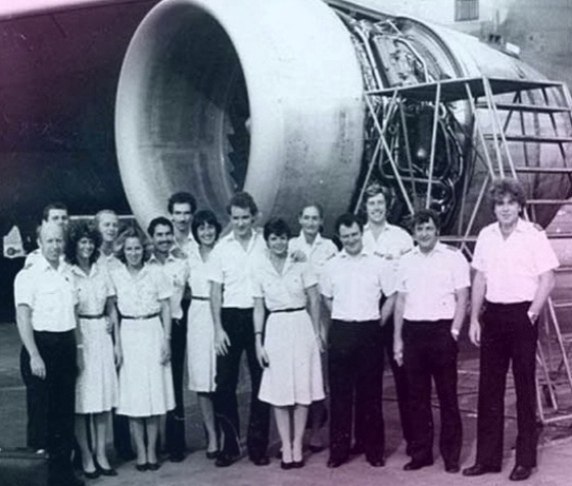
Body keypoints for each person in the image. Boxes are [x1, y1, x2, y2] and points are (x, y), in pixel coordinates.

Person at [463, 178, 558, 482]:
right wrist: (474, 319)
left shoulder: (533, 235)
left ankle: (524, 461)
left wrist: (532, 313)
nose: (505, 209)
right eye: (500, 204)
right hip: (493, 316)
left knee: (524, 388)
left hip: (523, 315)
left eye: (510, 203)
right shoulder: (486, 235)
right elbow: (479, 279)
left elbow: (548, 279)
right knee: (489, 388)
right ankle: (487, 459)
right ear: (494, 208)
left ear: (519, 206)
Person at [393, 210, 469, 473]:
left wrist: (455, 332)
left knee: (448, 397)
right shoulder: (406, 261)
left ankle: (451, 455)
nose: (424, 233)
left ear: (437, 230)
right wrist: (397, 340)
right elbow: (400, 302)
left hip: (442, 332)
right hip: (414, 332)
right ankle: (421, 453)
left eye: (428, 228)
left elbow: (463, 297)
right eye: (419, 229)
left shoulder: (453, 257)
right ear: (413, 233)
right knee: (417, 398)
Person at [320, 213, 396, 469]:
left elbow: (391, 295)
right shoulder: (331, 266)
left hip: (369, 330)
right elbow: (326, 296)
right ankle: (338, 452)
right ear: (339, 237)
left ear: (360, 233)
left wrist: (379, 321)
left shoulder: (378, 263)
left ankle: (374, 451)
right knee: (340, 395)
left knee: (370, 394)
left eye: (354, 235)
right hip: (341, 330)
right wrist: (340, 315)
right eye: (345, 236)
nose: (351, 240)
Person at [14, 222, 84, 486]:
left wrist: (78, 351)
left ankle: (63, 475)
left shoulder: (68, 273)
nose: (55, 246)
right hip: (40, 347)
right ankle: (38, 478)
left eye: (59, 241)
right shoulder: (28, 275)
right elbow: (23, 317)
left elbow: (74, 316)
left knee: (64, 415)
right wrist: (34, 354)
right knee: (41, 417)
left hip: (65, 346)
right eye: (50, 241)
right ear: (39, 243)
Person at [253, 218, 325, 469]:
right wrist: (258, 341)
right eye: (274, 238)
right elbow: (258, 307)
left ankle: (296, 444)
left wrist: (316, 333)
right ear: (267, 241)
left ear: (288, 239)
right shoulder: (259, 269)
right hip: (275, 329)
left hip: (301, 325)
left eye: (282, 238)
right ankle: (285, 444)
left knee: (302, 388)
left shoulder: (301, 263)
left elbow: (314, 299)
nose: (279, 243)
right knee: (280, 391)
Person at [208, 191, 271, 467]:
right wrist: (218, 328)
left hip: (259, 316)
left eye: (245, 218)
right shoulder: (221, 248)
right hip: (230, 318)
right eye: (236, 218)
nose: (241, 223)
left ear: (253, 217)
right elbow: (214, 291)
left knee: (262, 381)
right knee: (224, 383)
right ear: (230, 218)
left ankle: (258, 447)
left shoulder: (264, 244)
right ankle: (230, 445)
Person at [109, 226, 175, 472]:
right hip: (129, 333)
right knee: (134, 397)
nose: (134, 253)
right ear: (123, 251)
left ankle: (152, 451)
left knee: (153, 394)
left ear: (143, 249)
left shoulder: (156, 272)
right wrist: (117, 344)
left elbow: (166, 307)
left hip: (152, 330)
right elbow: (112, 312)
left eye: (137, 248)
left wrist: (166, 339)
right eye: (129, 249)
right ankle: (140, 452)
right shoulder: (115, 275)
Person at [359, 182, 413, 456]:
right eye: (372, 204)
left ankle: (414, 439)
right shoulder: (359, 236)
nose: (376, 208)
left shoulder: (401, 237)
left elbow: (409, 274)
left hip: (396, 308)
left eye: (380, 202)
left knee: (403, 375)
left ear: (387, 205)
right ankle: (368, 442)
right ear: (365, 207)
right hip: (367, 308)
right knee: (368, 378)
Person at [65, 222, 119, 479]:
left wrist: (116, 339)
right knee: (82, 400)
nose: (86, 247)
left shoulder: (102, 269)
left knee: (102, 399)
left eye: (90, 242)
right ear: (74, 245)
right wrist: (77, 348)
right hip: (81, 336)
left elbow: (111, 307)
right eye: (82, 242)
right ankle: (86, 455)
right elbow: (72, 314)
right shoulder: (68, 273)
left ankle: (101, 453)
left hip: (102, 336)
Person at [288, 203, 337, 452]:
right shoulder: (289, 246)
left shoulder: (329, 248)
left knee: (318, 374)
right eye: (306, 218)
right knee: (294, 375)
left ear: (321, 221)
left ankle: (316, 431)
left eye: (315, 218)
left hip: (321, 317)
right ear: (299, 219)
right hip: (294, 315)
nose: (310, 223)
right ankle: (293, 435)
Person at [147, 216, 190, 462]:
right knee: (152, 382)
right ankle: (152, 444)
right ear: (152, 237)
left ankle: (176, 443)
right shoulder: (145, 264)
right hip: (151, 327)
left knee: (174, 383)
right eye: (159, 235)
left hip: (176, 325)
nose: (164, 239)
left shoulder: (182, 263)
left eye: (167, 234)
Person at [94, 209, 132, 461]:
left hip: (117, 328)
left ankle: (123, 445)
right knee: (94, 390)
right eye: (106, 224)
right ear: (97, 227)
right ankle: (91, 450)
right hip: (94, 328)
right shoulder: (88, 257)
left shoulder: (119, 262)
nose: (111, 229)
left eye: (114, 225)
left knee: (120, 385)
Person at [187, 210, 222, 459]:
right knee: (202, 380)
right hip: (197, 315)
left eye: (210, 227)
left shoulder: (224, 252)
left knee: (220, 378)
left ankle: (226, 432)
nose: (206, 232)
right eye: (202, 228)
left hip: (220, 315)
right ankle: (212, 436)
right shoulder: (188, 255)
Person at [168, 191, 198, 257]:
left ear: (192, 216)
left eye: (187, 213)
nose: (182, 219)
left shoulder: (200, 241)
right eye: (178, 213)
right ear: (171, 215)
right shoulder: (164, 241)